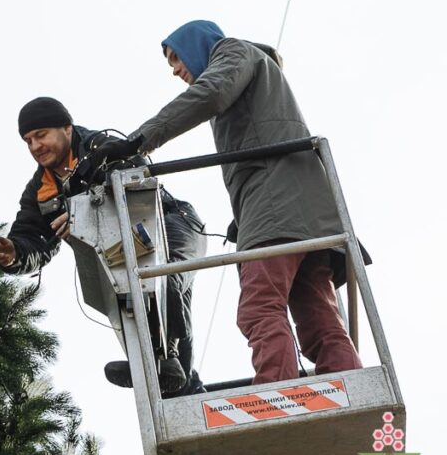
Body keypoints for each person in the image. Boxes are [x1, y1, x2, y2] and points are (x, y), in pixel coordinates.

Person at [99, 20, 363, 385]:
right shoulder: (257, 75)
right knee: (316, 310)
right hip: (307, 211)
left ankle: (276, 395)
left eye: (176, 58)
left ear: (199, 44)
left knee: (259, 306)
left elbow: (211, 92)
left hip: (275, 207)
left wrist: (138, 140)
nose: (175, 71)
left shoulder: (232, 52)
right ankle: (348, 385)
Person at [0, 97, 207, 395]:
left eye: (41, 135)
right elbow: (33, 237)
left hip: (172, 224)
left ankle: (168, 364)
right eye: (28, 141)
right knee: (132, 302)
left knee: (163, 279)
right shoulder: (41, 190)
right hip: (124, 256)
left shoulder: (102, 148)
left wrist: (82, 214)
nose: (35, 146)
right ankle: (175, 380)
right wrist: (14, 253)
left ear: (67, 129)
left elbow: (137, 179)